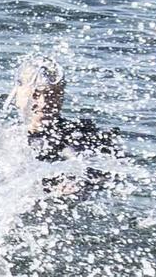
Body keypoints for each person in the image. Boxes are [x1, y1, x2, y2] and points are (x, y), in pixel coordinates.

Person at [10, 57, 116, 193]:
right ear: (19, 95)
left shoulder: (77, 136)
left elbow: (97, 170)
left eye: (52, 95)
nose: (44, 103)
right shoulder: (3, 140)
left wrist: (77, 182)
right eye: (35, 94)